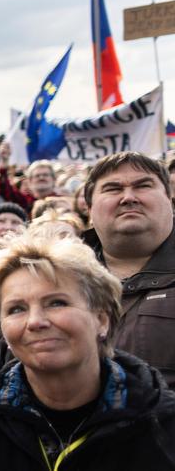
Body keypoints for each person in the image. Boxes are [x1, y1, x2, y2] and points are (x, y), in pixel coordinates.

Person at [0, 234, 175, 470]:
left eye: (57, 303)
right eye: (16, 309)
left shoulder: (163, 420)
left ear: (102, 319)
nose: (35, 321)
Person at [82, 152, 175, 386]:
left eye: (143, 186)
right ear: (89, 208)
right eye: (113, 189)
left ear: (170, 199)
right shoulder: (54, 275)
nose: (128, 198)